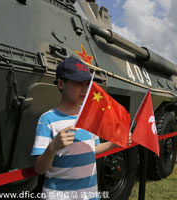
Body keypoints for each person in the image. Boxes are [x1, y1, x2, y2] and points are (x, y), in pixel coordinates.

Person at [31, 57, 121, 200]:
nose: (85, 89)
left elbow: (92, 149)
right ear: (61, 84)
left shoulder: (90, 115)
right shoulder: (47, 120)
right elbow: (40, 169)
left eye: (87, 84)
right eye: (78, 83)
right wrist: (52, 147)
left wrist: (113, 144)